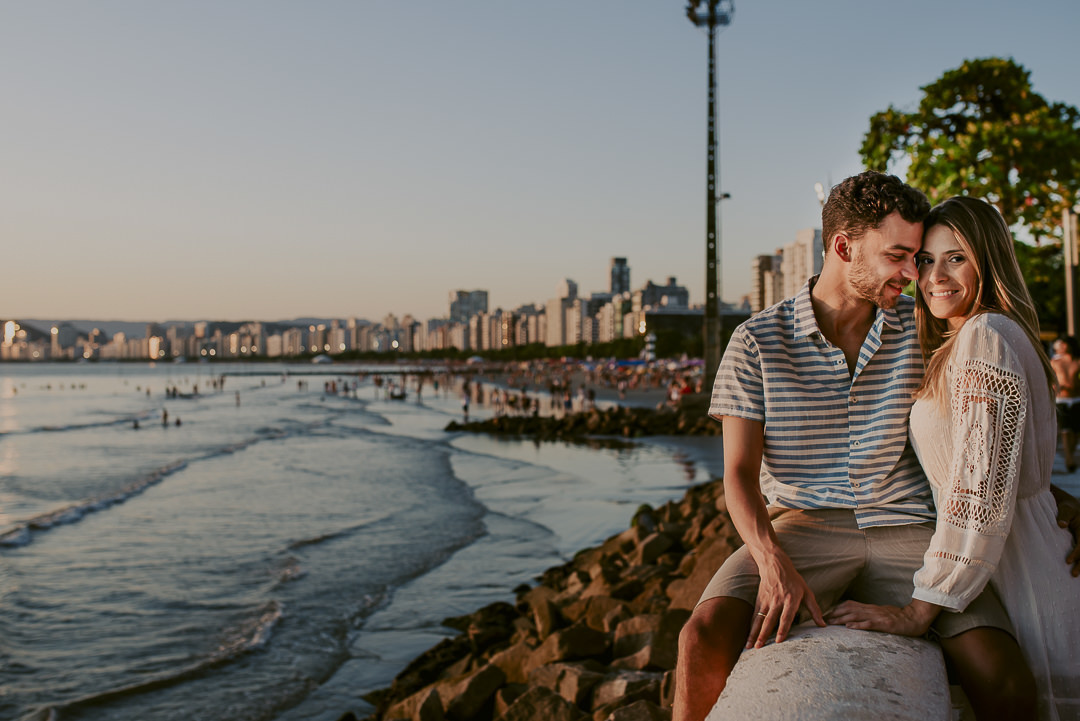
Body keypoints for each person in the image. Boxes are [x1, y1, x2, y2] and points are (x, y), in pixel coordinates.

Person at [674, 172, 1072, 721]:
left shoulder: (926, 326)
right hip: (804, 526)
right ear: (844, 248)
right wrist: (770, 560)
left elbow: (982, 436)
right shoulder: (756, 342)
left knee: (1001, 674)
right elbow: (738, 474)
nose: (914, 275)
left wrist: (1052, 501)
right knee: (700, 638)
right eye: (900, 256)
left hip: (912, 526)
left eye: (918, 258)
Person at [826, 196, 1080, 719]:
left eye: (956, 258)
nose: (935, 276)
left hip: (1021, 576)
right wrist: (1062, 500)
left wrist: (919, 610)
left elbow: (978, 493)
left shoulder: (986, 337)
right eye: (925, 260)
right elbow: (1006, 465)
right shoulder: (976, 336)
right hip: (1010, 561)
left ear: (988, 260)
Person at [1051, 336, 1080, 473]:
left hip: (1076, 398)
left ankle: (1070, 455)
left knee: (1076, 431)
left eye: (1064, 344)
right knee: (1065, 430)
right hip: (1061, 399)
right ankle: (1069, 459)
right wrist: (1055, 387)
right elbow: (1050, 379)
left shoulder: (1077, 362)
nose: (1061, 347)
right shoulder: (1055, 362)